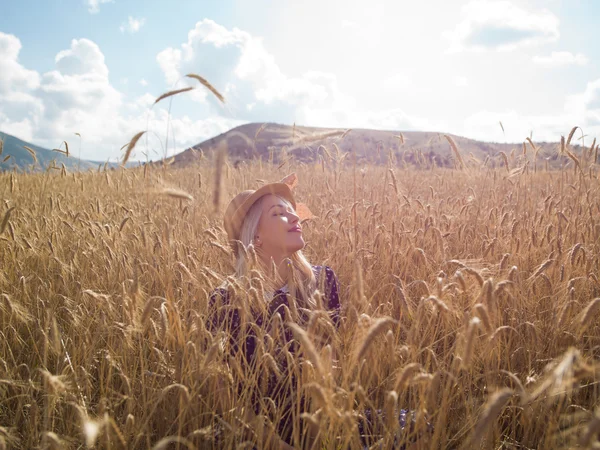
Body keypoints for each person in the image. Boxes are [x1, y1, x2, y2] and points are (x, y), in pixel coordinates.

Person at [206, 175, 425, 449]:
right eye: (279, 213)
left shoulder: (321, 282)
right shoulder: (227, 299)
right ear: (255, 235)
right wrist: (275, 444)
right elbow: (223, 391)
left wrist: (322, 435)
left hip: (318, 419)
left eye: (292, 210)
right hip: (257, 434)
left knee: (419, 426)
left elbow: (327, 369)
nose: (295, 218)